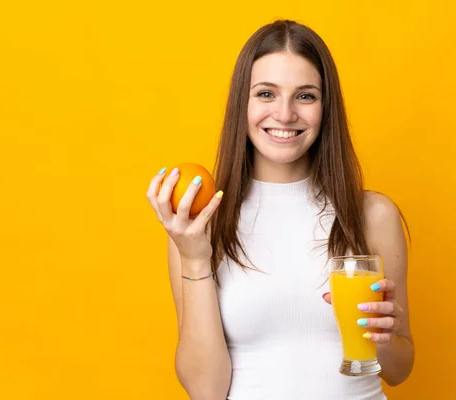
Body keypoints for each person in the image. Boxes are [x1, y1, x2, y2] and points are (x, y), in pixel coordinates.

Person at [146, 19, 414, 400]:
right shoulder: (199, 223)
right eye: (266, 94)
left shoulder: (373, 214)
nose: (285, 114)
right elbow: (205, 391)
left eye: (305, 96)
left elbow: (400, 370)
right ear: (243, 102)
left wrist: (382, 337)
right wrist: (193, 258)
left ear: (326, 107)